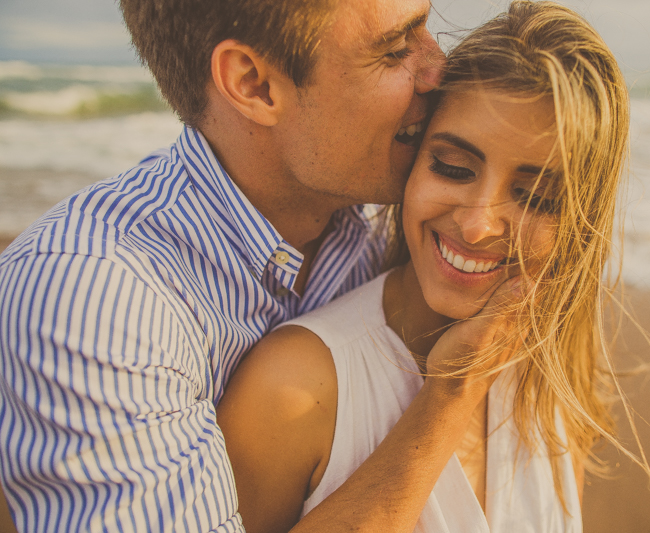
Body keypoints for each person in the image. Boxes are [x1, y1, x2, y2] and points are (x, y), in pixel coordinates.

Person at [0, 0, 521, 531]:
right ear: (253, 84)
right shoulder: (102, 300)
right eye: (393, 50)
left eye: (427, 25)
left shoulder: (374, 231)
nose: (439, 67)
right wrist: (453, 393)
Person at [217, 1, 633, 531]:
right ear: (412, 162)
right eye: (452, 167)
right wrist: (453, 390)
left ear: (581, 222)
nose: (479, 225)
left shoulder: (552, 378)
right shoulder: (292, 391)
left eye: (536, 197)